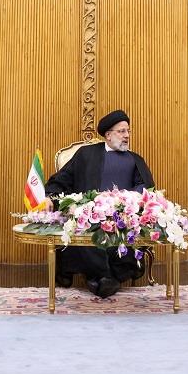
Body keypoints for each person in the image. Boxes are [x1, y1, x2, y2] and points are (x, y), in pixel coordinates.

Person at [44, 109, 155, 299]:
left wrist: (129, 199)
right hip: (90, 217)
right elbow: (63, 180)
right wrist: (49, 196)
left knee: (123, 238)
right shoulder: (86, 154)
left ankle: (101, 280)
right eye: (121, 131)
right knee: (87, 236)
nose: (127, 135)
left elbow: (145, 186)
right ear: (108, 135)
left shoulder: (135, 159)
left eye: (128, 131)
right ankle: (107, 278)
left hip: (122, 219)